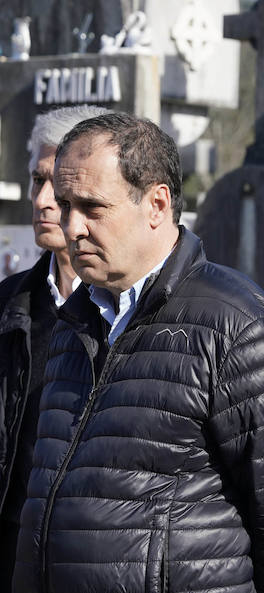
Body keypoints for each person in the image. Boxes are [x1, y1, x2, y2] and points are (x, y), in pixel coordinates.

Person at [12, 112, 264, 593]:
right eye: (64, 203)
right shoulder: (73, 323)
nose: (71, 226)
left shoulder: (241, 326)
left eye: (92, 207)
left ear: (157, 203)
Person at [0, 104, 110, 590]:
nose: (43, 200)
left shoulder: (133, 310)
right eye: (35, 180)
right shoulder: (8, 305)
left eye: (56, 185)